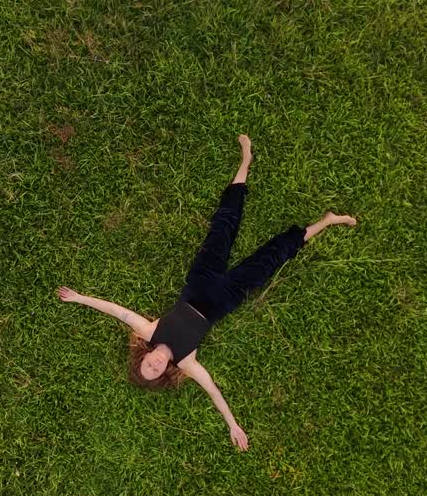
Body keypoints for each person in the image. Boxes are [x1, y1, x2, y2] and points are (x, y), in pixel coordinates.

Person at [57, 135, 356, 451]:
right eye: (155, 371)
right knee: (273, 257)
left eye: (147, 364)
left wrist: (80, 297)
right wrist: (233, 424)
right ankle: (326, 221)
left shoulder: (150, 331)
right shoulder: (187, 362)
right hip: (228, 297)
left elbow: (116, 310)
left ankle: (245, 161)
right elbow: (213, 391)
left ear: (143, 355)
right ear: (164, 372)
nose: (154, 364)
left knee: (224, 225)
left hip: (201, 278)